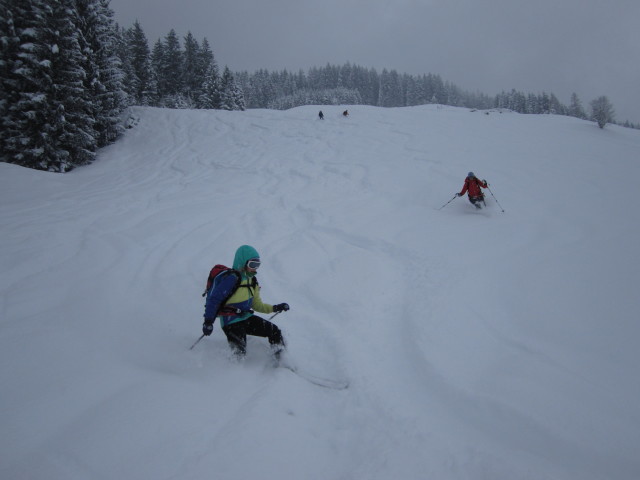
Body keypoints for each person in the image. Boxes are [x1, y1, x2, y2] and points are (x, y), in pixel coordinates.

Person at [203, 245, 290, 359]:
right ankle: (232, 371)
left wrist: (275, 308)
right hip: (230, 321)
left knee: (275, 331)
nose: (255, 268)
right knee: (240, 352)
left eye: (257, 265)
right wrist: (208, 321)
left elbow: (257, 305)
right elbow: (214, 300)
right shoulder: (232, 279)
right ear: (243, 263)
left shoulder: (252, 281)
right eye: (252, 264)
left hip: (246, 318)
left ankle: (281, 361)